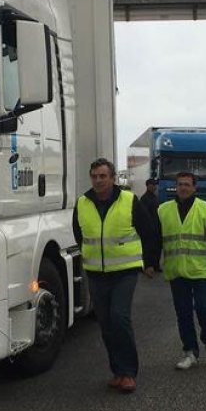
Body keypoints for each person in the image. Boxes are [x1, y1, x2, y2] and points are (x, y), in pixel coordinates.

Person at [73, 157, 160, 393]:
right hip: (96, 273)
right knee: (106, 324)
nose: (99, 180)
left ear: (113, 178)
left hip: (125, 271)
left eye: (103, 176)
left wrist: (150, 263)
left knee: (120, 318)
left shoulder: (129, 201)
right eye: (95, 176)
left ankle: (129, 373)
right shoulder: (82, 203)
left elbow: (149, 232)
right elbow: (78, 234)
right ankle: (118, 371)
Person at [158, 171, 206, 370]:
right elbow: (156, 238)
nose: (183, 187)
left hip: (201, 271)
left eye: (187, 184)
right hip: (176, 271)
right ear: (176, 186)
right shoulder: (163, 210)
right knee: (183, 313)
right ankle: (190, 352)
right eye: (180, 184)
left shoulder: (205, 209)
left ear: (194, 187)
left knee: (205, 308)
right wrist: (149, 262)